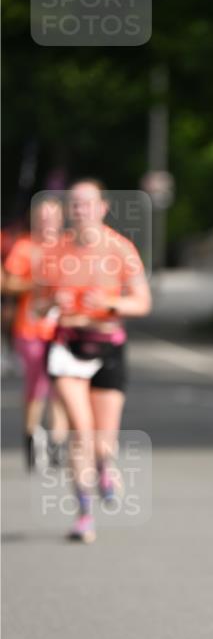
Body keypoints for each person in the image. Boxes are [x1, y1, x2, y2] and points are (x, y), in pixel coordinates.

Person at [43, 179, 152, 543]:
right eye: (75, 204)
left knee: (102, 441)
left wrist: (108, 305)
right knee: (80, 431)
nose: (81, 210)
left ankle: (105, 465)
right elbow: (39, 304)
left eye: (88, 203)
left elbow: (141, 302)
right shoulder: (56, 251)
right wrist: (52, 300)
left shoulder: (121, 249)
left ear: (103, 207)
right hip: (67, 347)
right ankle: (84, 514)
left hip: (107, 346)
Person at [1, 198, 69, 470]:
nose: (47, 221)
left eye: (52, 216)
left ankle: (57, 441)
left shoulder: (69, 246)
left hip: (64, 329)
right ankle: (31, 435)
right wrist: (35, 282)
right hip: (31, 328)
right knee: (39, 382)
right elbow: (7, 282)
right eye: (42, 216)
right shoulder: (25, 246)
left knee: (62, 386)